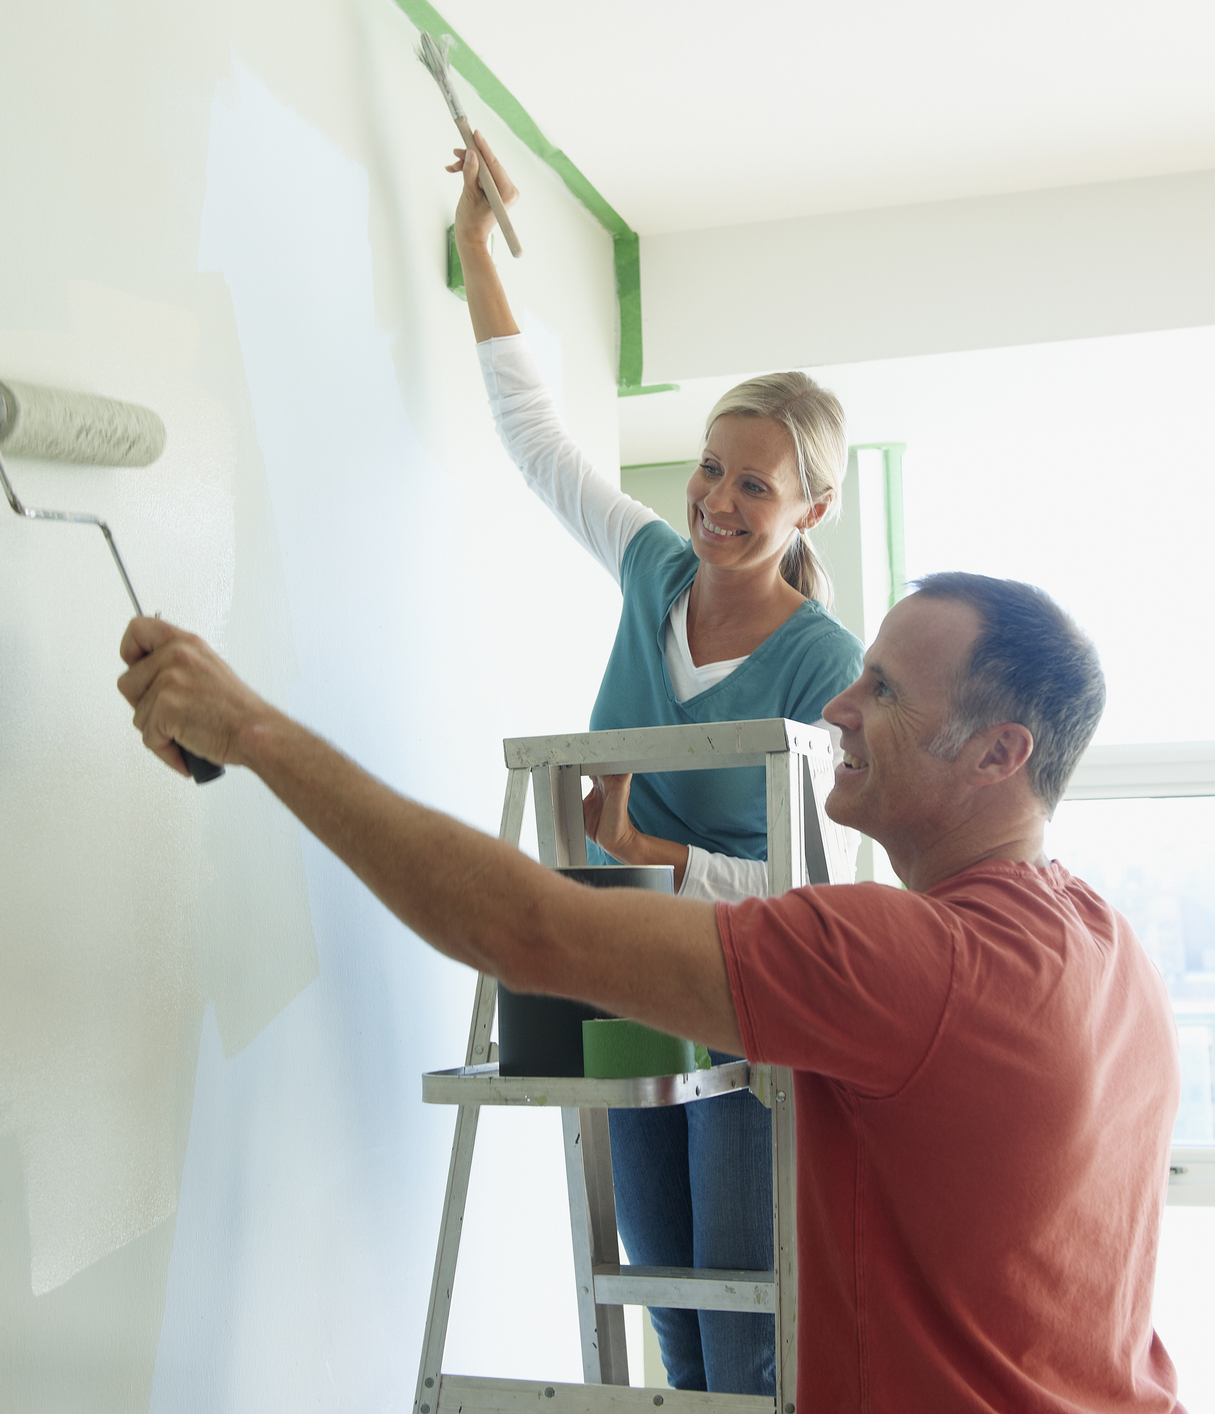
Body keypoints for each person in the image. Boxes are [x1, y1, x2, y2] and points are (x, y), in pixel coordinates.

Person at [116, 571, 1185, 1413]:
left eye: (888, 691)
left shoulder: (917, 962)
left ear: (1002, 752)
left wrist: (253, 732)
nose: (838, 706)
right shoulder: (1108, 945)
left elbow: (521, 929)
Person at [446, 131, 865, 1394]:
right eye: (708, 469)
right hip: (614, 983)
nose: (717, 502)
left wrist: (653, 854)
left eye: (755, 487)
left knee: (738, 1326)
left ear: (811, 513)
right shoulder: (650, 573)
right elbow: (535, 437)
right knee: (663, 1322)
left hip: (745, 1005)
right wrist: (474, 239)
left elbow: (827, 902)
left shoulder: (824, 663)